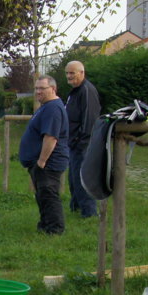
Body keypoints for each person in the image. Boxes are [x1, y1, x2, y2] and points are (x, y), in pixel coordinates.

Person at [19, 76, 69, 235]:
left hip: (48, 163)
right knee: (42, 195)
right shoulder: (46, 106)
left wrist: (41, 162)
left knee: (49, 195)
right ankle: (45, 225)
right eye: (36, 88)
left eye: (42, 88)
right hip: (41, 162)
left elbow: (51, 137)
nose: (38, 92)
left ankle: (55, 229)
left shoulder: (53, 108)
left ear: (53, 89)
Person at [64, 60, 101, 218]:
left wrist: (80, 141)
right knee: (73, 180)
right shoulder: (75, 91)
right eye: (67, 73)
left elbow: (89, 120)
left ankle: (89, 213)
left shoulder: (87, 90)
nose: (69, 76)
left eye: (72, 73)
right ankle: (76, 209)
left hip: (83, 145)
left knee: (83, 180)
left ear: (82, 72)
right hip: (73, 144)